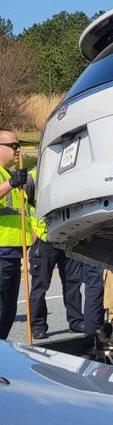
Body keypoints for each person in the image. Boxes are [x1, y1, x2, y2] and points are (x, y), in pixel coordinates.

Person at [27, 170, 104, 339]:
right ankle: (38, 325)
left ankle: (76, 321)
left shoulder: (70, 172)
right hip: (44, 238)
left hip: (68, 237)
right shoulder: (34, 176)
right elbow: (27, 209)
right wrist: (34, 237)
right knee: (40, 286)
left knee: (72, 283)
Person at [0, 128, 35, 340]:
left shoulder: (7, 174)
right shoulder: (6, 178)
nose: (18, 149)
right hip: (0, 251)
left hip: (13, 252)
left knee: (8, 309)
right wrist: (10, 184)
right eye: (13, 145)